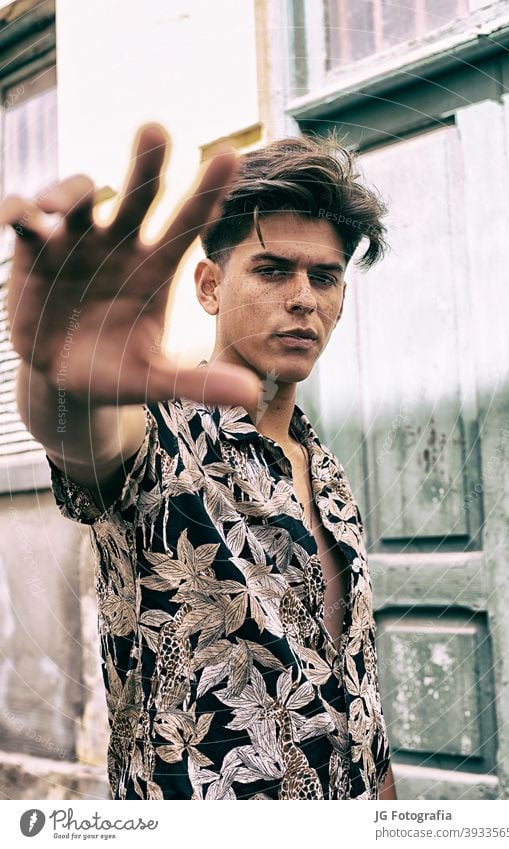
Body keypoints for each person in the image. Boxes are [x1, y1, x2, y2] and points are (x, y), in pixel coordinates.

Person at [1, 124, 396, 800]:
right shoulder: (159, 436)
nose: (303, 297)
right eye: (272, 270)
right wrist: (60, 373)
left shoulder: (324, 470)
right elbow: (81, 435)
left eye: (323, 277)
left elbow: (354, 695)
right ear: (209, 286)